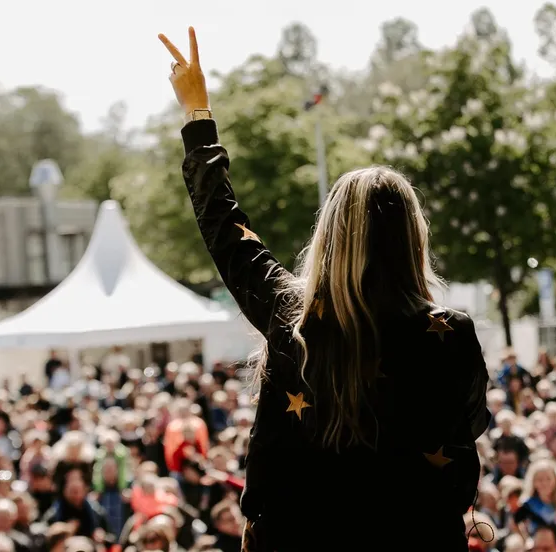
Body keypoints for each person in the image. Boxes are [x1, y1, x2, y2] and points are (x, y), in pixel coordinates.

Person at [158, 27, 490, 551]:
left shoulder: (292, 313)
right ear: (411, 238)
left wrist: (198, 114)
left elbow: (224, 228)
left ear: (330, 235)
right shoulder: (450, 333)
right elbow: (468, 429)